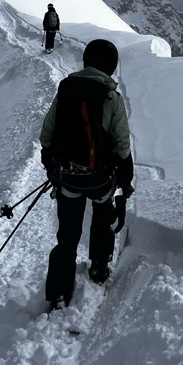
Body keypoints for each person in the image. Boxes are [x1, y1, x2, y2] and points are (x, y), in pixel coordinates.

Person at [39, 39, 134, 310]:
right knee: (103, 217)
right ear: (111, 66)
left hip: (68, 177)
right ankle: (99, 268)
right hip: (100, 178)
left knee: (67, 235)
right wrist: (125, 178)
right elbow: (122, 144)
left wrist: (51, 165)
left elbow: (46, 134)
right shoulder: (112, 97)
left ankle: (59, 293)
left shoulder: (66, 90)